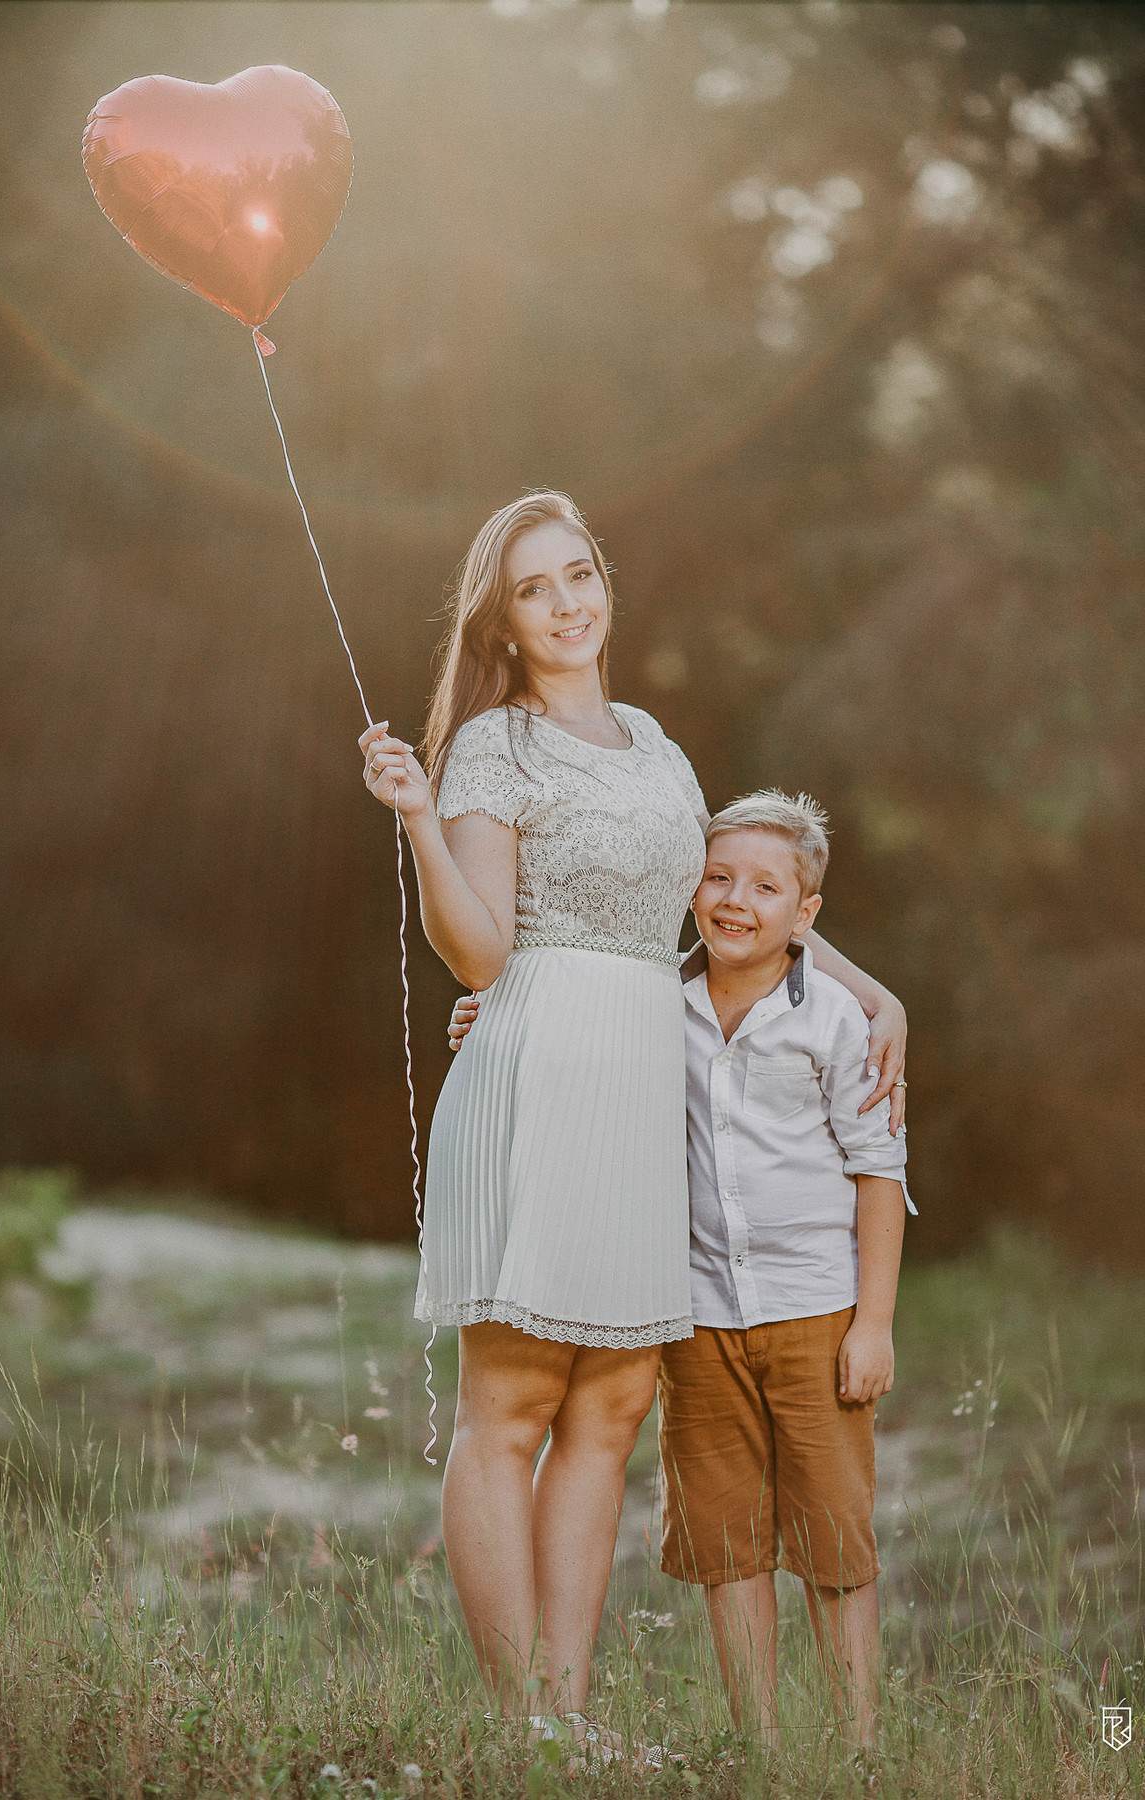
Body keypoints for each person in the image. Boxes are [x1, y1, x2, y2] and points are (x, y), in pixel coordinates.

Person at [361, 491, 906, 1732]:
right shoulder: (490, 745)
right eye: (533, 589)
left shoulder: (657, 745)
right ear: (500, 619)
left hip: (637, 1086)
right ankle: (523, 1722)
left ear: (605, 582)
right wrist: (415, 827)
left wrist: (875, 997)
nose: (565, 605)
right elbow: (480, 955)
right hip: (542, 1062)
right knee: (512, 1403)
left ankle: (569, 1709)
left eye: (578, 575)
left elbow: (733, 905)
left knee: (610, 1405)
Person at [659, 790, 912, 1753]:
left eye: (764, 887)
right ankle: (758, 1749)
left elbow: (879, 1172)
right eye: (718, 877)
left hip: (816, 1310)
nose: (734, 900)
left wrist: (873, 1325)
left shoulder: (839, 1022)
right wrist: (485, 1020)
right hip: (696, 1314)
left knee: (834, 1541)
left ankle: (859, 1745)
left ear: (803, 915)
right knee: (727, 1544)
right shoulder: (659, 1003)